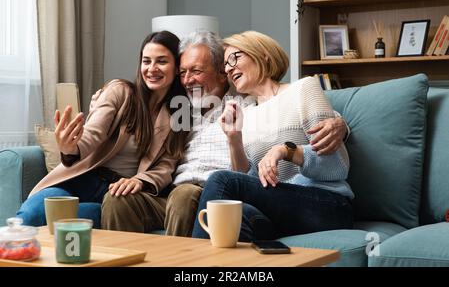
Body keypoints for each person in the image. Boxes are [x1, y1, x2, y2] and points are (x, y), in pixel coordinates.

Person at [163, 30, 350, 238]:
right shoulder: (246, 112)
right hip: (278, 205)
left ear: (263, 55)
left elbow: (336, 167)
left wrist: (285, 151)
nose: (229, 67)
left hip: (325, 203)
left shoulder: (303, 89)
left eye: (235, 57)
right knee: (231, 216)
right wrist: (234, 139)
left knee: (221, 180)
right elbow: (245, 181)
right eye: (226, 63)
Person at [16, 31, 187, 229]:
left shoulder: (180, 112)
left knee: (66, 221)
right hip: (83, 178)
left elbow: (167, 164)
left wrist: (141, 180)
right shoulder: (120, 91)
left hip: (115, 194)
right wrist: (71, 147)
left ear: (177, 68)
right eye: (146, 61)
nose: (151, 69)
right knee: (29, 218)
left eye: (162, 61)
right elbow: (93, 132)